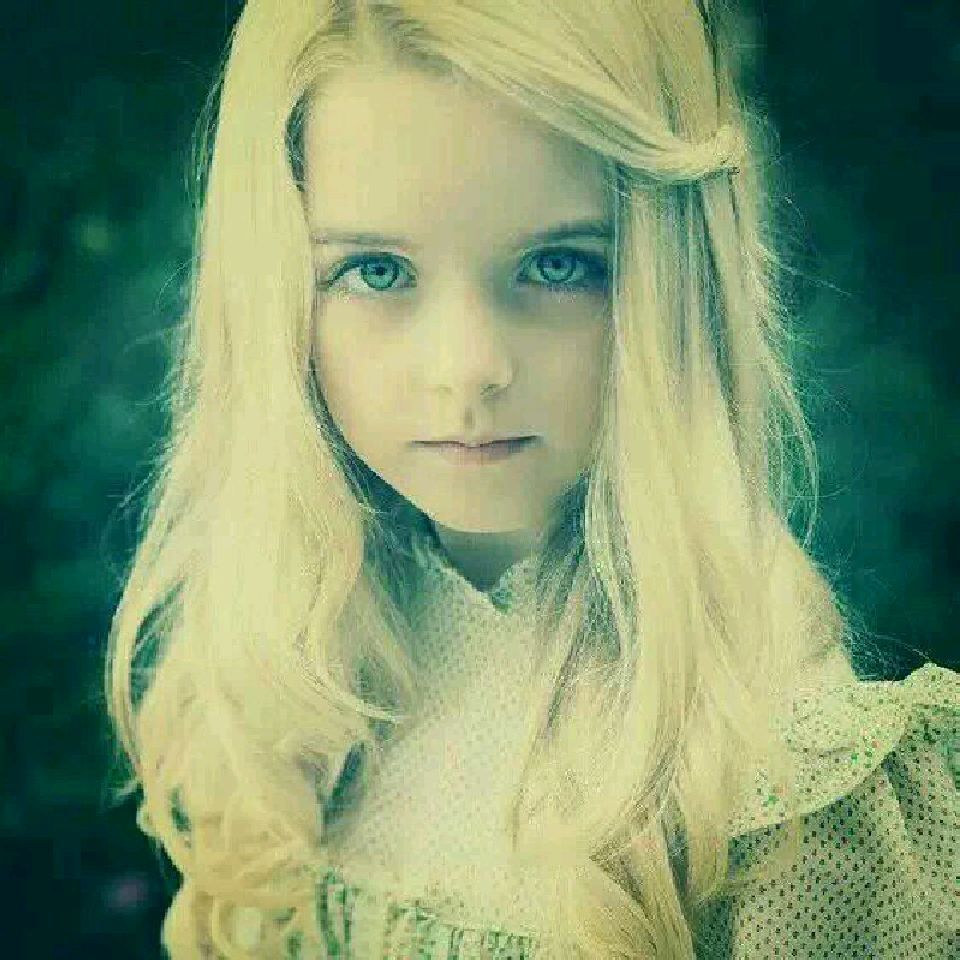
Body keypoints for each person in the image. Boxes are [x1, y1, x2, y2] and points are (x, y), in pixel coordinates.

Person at [102, 1, 959, 957]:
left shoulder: (792, 788)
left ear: (675, 277)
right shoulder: (287, 679)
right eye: (376, 271)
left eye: (559, 265)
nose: (468, 368)